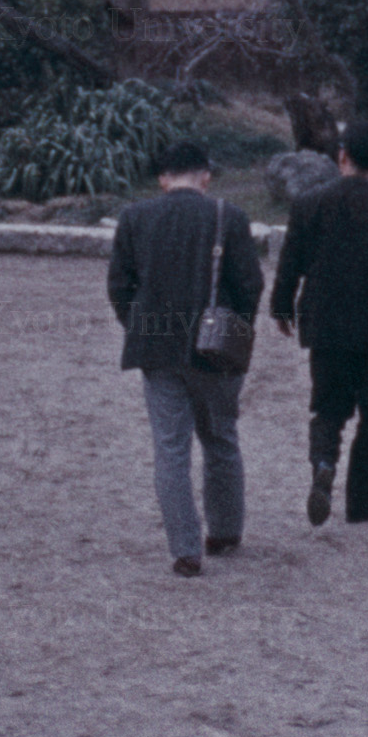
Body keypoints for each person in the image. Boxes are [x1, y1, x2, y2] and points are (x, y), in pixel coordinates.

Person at [105, 137, 263, 576]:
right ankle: (225, 531)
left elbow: (119, 285)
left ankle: (185, 549)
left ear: (162, 178)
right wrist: (235, 328)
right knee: (221, 439)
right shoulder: (229, 216)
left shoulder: (134, 217)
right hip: (215, 347)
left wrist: (139, 325)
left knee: (170, 449)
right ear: (206, 176)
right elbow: (250, 285)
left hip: (156, 347)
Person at [270, 117, 368, 526]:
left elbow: (290, 264)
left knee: (328, 407)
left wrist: (281, 307)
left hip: (324, 325)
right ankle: (361, 501)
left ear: (341, 155)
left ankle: (324, 462)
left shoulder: (308, 204)